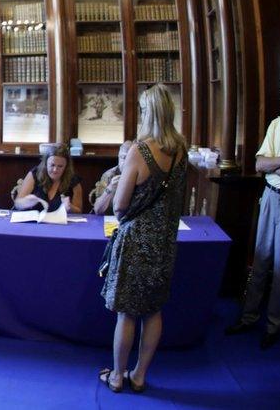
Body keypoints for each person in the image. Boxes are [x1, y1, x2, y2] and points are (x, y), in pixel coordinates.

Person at [98, 84, 187, 393]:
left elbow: (120, 206)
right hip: (164, 242)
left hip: (136, 242)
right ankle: (139, 375)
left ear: (150, 112)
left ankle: (118, 376)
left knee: (127, 313)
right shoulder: (181, 151)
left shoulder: (140, 150)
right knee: (153, 311)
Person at [226, 71, 280, 349]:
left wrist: (276, 163)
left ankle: (274, 325)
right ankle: (248, 317)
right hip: (269, 196)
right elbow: (259, 164)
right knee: (260, 260)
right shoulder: (276, 124)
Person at [13, 143, 83, 214]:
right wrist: (25, 202)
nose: (55, 170)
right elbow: (17, 204)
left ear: (66, 167)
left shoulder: (73, 180)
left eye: (60, 166)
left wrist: (70, 207)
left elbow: (79, 211)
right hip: (35, 222)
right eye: (52, 165)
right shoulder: (35, 174)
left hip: (60, 223)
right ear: (46, 164)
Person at [92, 141, 133, 215]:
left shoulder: (141, 175)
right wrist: (110, 188)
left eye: (130, 158)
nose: (125, 162)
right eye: (123, 157)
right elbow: (97, 210)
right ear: (118, 157)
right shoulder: (109, 175)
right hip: (111, 220)